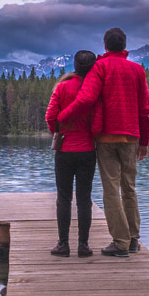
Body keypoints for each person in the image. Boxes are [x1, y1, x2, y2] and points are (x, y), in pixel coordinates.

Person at [59, 26, 149, 257]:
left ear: (105, 45)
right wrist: (145, 142)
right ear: (125, 44)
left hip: (107, 138)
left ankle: (120, 242)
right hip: (131, 137)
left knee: (111, 190)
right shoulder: (137, 70)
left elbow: (86, 98)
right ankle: (132, 240)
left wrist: (62, 117)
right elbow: (145, 111)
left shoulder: (100, 67)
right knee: (129, 189)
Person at [44, 50, 100, 257]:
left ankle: (63, 245)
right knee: (85, 199)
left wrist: (58, 134)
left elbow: (50, 116)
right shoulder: (95, 89)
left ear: (75, 66)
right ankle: (83, 246)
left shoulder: (62, 86)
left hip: (65, 151)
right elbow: (97, 121)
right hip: (87, 150)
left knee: (64, 198)